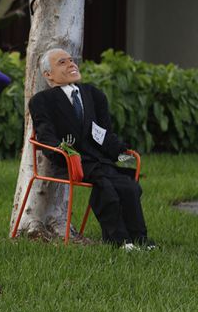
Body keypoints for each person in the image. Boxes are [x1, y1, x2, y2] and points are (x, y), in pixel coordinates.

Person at [29, 48, 154, 250]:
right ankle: (119, 241)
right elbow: (46, 135)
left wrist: (122, 153)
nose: (71, 64)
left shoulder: (94, 95)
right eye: (62, 62)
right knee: (106, 187)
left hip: (99, 161)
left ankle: (139, 238)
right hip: (70, 162)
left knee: (129, 186)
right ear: (48, 74)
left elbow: (105, 133)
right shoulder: (42, 101)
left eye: (71, 60)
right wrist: (62, 152)